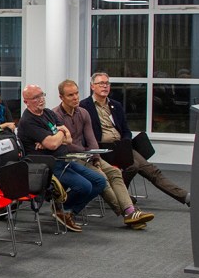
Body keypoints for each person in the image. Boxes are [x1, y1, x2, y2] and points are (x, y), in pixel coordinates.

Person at [52, 80, 153, 229]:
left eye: (77, 93)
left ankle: (130, 212)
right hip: (70, 158)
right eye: (70, 95)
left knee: (114, 172)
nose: (75, 97)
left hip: (86, 155)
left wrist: (96, 159)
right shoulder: (55, 115)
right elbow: (65, 144)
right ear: (61, 97)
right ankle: (128, 213)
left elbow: (91, 139)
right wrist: (86, 153)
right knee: (101, 177)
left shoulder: (83, 112)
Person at [79, 73, 189, 206]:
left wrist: (126, 142)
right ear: (92, 86)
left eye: (107, 83)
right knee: (133, 166)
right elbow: (84, 134)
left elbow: (126, 130)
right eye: (101, 83)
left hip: (121, 146)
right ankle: (121, 195)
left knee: (152, 170)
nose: (105, 86)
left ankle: (185, 197)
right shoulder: (84, 106)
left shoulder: (115, 105)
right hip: (103, 148)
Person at [17, 84, 106, 233]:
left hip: (64, 160)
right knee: (85, 186)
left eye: (42, 95)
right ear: (26, 101)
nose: (41, 99)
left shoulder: (48, 113)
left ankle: (66, 210)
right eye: (36, 97)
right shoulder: (28, 121)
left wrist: (55, 137)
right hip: (47, 166)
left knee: (100, 181)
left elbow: (69, 139)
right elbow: (53, 144)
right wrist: (60, 134)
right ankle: (63, 211)